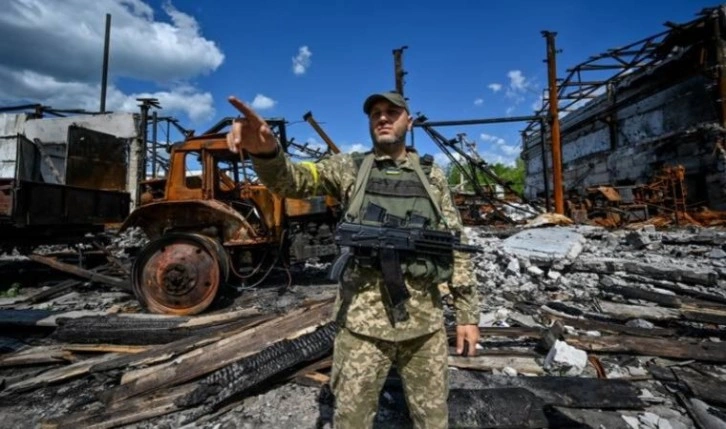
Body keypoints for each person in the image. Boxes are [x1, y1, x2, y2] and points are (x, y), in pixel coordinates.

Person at [226, 91, 480, 429]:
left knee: (433, 421)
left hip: (424, 328)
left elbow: (455, 244)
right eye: (375, 113)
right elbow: (292, 180)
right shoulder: (348, 168)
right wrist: (268, 153)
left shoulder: (432, 177)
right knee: (351, 421)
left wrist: (467, 314)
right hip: (361, 329)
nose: (383, 118)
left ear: (409, 120)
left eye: (392, 111)